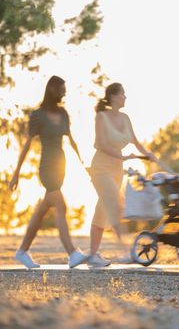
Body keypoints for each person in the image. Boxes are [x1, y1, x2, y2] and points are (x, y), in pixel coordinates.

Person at [9, 76, 88, 268]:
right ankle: (72, 253)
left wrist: (84, 165)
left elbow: (72, 140)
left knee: (43, 209)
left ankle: (22, 251)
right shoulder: (38, 115)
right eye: (62, 89)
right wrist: (16, 173)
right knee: (61, 206)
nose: (65, 92)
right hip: (46, 168)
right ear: (52, 89)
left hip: (61, 166)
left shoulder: (64, 114)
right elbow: (27, 145)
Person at [88, 82, 167, 267]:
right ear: (114, 96)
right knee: (115, 205)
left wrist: (148, 154)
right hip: (100, 168)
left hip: (117, 170)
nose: (125, 97)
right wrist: (123, 156)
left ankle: (92, 255)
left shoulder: (125, 118)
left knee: (102, 212)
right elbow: (99, 144)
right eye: (123, 94)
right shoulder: (101, 117)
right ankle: (127, 252)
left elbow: (135, 141)